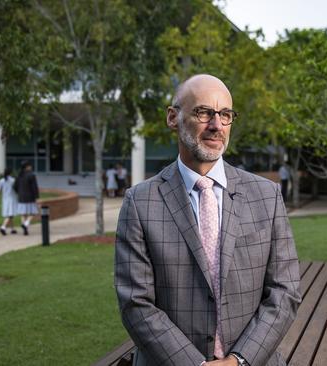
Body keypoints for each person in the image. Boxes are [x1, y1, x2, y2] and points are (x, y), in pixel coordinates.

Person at [114, 74, 301, 366]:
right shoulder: (139, 202)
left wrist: (239, 360)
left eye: (225, 115)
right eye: (203, 112)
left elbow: (285, 291)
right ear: (173, 117)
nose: (216, 125)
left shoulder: (267, 196)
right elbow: (135, 303)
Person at [14, 161, 39, 235]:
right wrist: (36, 196)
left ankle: (25, 230)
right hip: (30, 197)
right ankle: (26, 224)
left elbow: (15, 187)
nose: (31, 167)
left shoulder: (19, 176)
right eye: (30, 166)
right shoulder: (32, 175)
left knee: (23, 214)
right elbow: (34, 187)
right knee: (33, 212)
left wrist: (19, 192)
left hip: (21, 197)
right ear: (27, 167)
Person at [0, 168, 18, 235]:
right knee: (10, 214)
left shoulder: (1, 181)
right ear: (11, 173)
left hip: (5, 199)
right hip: (12, 199)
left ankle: (13, 229)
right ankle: (3, 227)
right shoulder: (13, 180)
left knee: (9, 214)